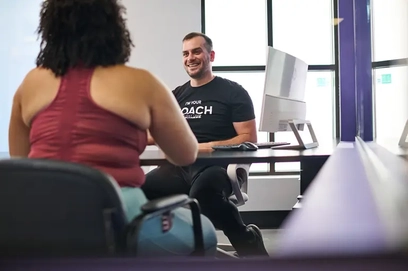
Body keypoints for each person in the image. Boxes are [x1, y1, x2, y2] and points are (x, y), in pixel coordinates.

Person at [7, 0, 217, 257]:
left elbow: (21, 163)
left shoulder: (30, 83)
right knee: (204, 231)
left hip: (42, 221)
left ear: (51, 31)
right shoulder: (141, 82)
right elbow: (185, 155)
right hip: (117, 220)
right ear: (114, 30)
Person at [142, 32, 268, 257]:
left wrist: (203, 147)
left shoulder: (233, 92)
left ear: (211, 55)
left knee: (204, 196)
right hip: (179, 168)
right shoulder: (177, 95)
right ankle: (172, 249)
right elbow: (157, 132)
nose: (190, 57)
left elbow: (248, 137)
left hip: (217, 167)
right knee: (139, 191)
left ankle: (248, 241)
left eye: (196, 51)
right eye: (185, 53)